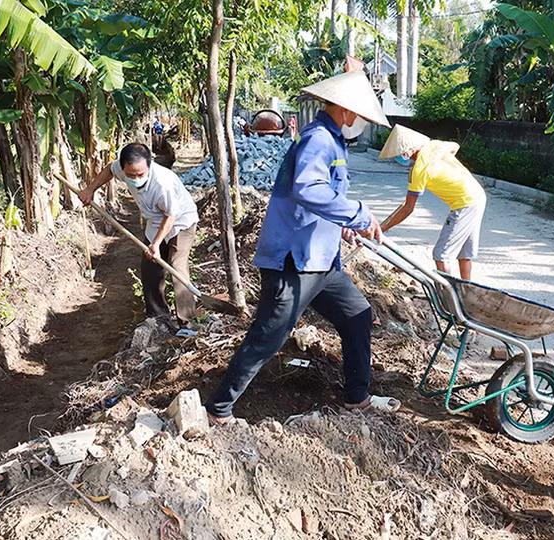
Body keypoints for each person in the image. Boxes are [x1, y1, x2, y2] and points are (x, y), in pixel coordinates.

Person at [205, 70, 400, 424]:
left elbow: (323, 199)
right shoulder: (319, 140)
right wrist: (358, 214)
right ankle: (218, 409)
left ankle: (357, 397)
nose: (360, 123)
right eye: (360, 115)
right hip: (294, 262)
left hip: (322, 262)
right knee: (269, 336)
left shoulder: (333, 141)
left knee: (357, 315)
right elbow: (308, 189)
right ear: (347, 110)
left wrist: (342, 225)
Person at [79, 143, 199, 327]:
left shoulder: (163, 184)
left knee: (177, 266)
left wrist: (156, 244)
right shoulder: (123, 168)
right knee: (150, 269)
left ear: (149, 165)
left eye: (141, 174)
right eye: (131, 175)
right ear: (124, 168)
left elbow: (170, 216)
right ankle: (157, 317)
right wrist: (90, 189)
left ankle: (187, 321)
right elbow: (109, 170)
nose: (136, 179)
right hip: (154, 222)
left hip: (180, 222)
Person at [378, 124, 486, 280]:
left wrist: (383, 228)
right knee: (464, 253)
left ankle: (448, 293)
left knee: (441, 254)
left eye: (400, 154)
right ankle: (466, 289)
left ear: (407, 152)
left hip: (465, 203)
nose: (399, 157)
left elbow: (408, 208)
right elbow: (455, 146)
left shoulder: (418, 170)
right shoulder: (435, 145)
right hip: (478, 195)